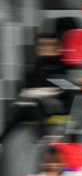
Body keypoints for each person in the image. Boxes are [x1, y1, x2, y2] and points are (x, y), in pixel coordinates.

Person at [0, 36, 72, 165]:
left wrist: (39, 92)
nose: (45, 48)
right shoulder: (35, 68)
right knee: (17, 112)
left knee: (36, 103)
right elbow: (25, 90)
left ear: (57, 49)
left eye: (49, 45)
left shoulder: (61, 67)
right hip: (33, 103)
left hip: (56, 104)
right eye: (42, 46)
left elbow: (62, 89)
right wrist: (36, 92)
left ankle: (45, 138)